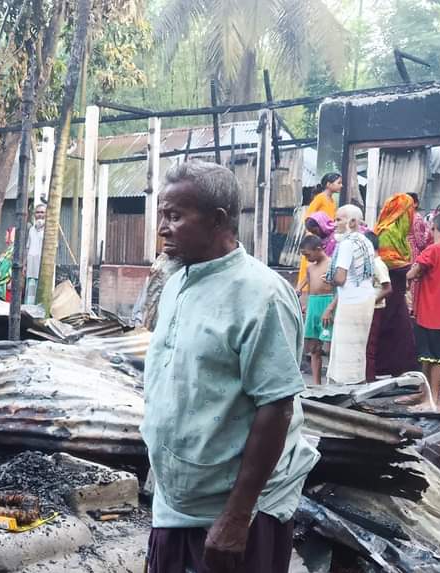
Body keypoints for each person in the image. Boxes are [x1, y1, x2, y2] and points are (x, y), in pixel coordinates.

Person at [144, 161, 318, 573]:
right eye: (162, 216)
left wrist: (237, 517)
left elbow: (276, 407)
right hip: (177, 504)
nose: (163, 228)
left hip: (236, 514)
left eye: (175, 216)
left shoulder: (261, 295)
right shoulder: (175, 284)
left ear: (218, 220)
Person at [395, 212, 440, 411]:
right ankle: (426, 395)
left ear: (433, 227)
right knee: (431, 357)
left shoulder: (433, 250)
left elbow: (413, 272)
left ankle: (433, 400)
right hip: (439, 311)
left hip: (430, 311)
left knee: (433, 358)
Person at [326, 205, 378, 385]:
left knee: (345, 350)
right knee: (357, 349)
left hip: (352, 302)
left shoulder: (347, 244)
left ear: (353, 222)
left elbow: (340, 278)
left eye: (339, 219)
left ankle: (346, 388)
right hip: (365, 298)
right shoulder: (366, 242)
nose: (335, 224)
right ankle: (356, 384)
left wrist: (328, 279)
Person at [371, 193, 420, 377]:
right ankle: (383, 369)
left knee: (401, 330)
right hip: (387, 288)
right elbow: (386, 260)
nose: (412, 214)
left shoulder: (400, 233)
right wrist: (411, 268)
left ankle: (398, 370)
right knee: (392, 327)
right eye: (410, 210)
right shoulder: (387, 231)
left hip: (397, 289)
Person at [297, 173, 341, 290]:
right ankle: (304, 289)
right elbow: (308, 216)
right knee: (310, 263)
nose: (341, 186)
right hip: (316, 235)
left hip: (325, 236)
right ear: (328, 184)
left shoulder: (332, 201)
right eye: (339, 183)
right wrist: (311, 234)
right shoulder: (320, 198)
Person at [299, 235, 334, 386]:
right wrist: (299, 290)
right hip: (313, 304)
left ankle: (332, 383)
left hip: (327, 303)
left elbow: (339, 288)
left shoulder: (332, 264)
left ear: (319, 249)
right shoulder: (310, 267)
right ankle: (316, 384)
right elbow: (308, 281)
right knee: (314, 348)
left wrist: (330, 308)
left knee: (331, 346)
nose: (307, 258)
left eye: (308, 255)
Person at [364, 232, 393, 382]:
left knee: (370, 345)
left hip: (375, 308)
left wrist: (372, 301)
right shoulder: (370, 263)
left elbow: (388, 288)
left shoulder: (377, 264)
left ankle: (369, 379)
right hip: (369, 307)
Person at [295, 212, 336, 295]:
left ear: (321, 225)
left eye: (315, 231)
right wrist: (300, 286)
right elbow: (315, 269)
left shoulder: (335, 240)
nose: (315, 234)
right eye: (312, 232)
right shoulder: (317, 242)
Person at [25, 203, 47, 304]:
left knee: (41, 295)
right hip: (31, 269)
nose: (39, 215)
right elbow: (27, 248)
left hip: (43, 269)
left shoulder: (49, 230)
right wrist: (25, 265)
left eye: (42, 212)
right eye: (37, 212)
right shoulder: (31, 230)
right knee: (30, 294)